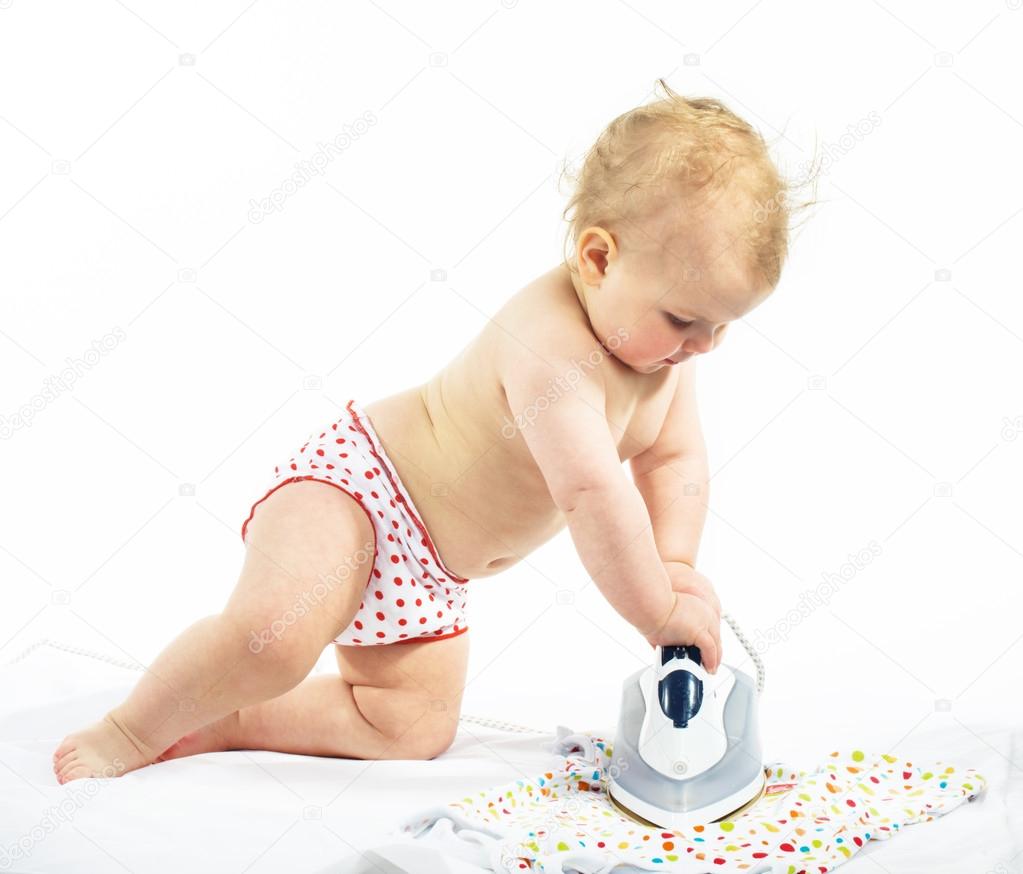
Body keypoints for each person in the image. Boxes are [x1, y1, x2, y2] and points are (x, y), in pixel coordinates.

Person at [54, 79, 816, 782]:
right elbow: (592, 491)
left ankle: (230, 719)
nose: (702, 347)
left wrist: (675, 559)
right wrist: (657, 608)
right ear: (596, 257)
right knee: (272, 639)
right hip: (361, 491)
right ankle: (129, 729)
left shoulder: (662, 362)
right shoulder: (548, 348)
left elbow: (674, 455)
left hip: (432, 572)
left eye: (721, 327)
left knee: (410, 727)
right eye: (685, 319)